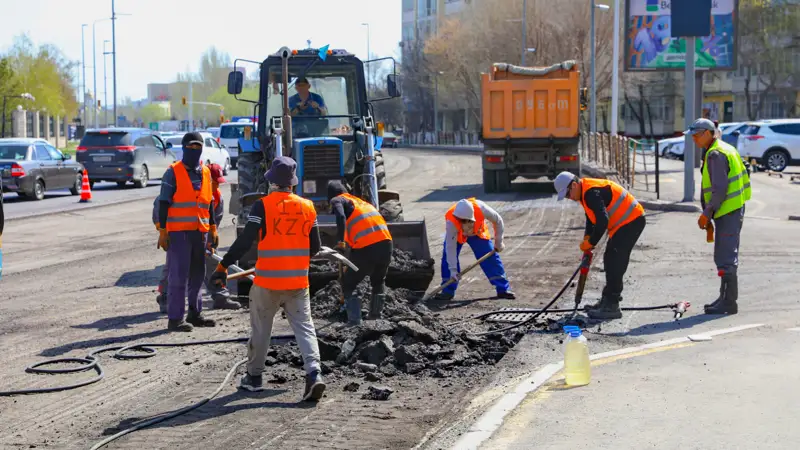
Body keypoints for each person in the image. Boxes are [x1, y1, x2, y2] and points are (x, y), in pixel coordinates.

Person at [209, 156, 326, 401]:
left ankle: (254, 378)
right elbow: (315, 247)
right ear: (293, 183)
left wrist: (223, 266)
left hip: (267, 282)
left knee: (262, 330)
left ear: (272, 181)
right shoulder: (308, 207)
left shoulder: (263, 206)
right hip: (297, 282)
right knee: (305, 328)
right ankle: (314, 373)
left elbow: (245, 242)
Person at [554, 172, 646, 320]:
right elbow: (591, 219)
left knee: (615, 261)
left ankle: (612, 305)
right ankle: (607, 300)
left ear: (574, 185)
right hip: (624, 223)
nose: (568, 198)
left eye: (567, 194)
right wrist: (587, 237)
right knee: (610, 259)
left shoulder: (591, 192)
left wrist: (591, 242)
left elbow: (602, 220)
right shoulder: (584, 193)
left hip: (632, 221)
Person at [685, 118, 751, 315]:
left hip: (727, 211)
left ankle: (729, 302)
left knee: (725, 256)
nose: (694, 140)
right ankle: (725, 298)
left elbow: (720, 189)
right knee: (725, 255)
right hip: (733, 208)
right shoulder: (724, 148)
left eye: (696, 135)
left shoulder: (715, 154)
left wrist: (707, 213)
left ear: (707, 133)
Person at [157, 132, 218, 332]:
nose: (194, 151)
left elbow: (208, 204)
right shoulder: (173, 172)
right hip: (178, 233)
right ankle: (175, 319)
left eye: (197, 147)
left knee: (198, 275)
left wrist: (213, 229)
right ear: (183, 148)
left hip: (199, 233)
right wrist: (163, 231)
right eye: (190, 147)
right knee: (178, 277)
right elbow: (164, 203)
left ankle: (195, 313)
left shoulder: (206, 172)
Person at [327, 181, 393, 325]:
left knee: (348, 283)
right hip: (387, 244)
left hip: (368, 247)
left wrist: (340, 242)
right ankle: (376, 317)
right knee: (378, 280)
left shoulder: (337, 199)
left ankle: (354, 321)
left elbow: (340, 216)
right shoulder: (362, 203)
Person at [436, 198, 515, 301]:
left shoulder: (482, 208)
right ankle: (447, 291)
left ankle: (503, 289)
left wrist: (499, 242)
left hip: (477, 233)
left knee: (490, 257)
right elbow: (450, 248)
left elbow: (498, 221)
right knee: (447, 259)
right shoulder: (452, 222)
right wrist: (453, 270)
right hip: (458, 235)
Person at [203, 163, 241, 310]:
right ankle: (166, 298)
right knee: (178, 267)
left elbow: (215, 223)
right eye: (214, 182)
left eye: (218, 183)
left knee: (214, 263)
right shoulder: (195, 193)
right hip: (186, 235)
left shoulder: (218, 197)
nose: (217, 186)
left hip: (206, 236)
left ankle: (220, 297)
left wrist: (210, 241)